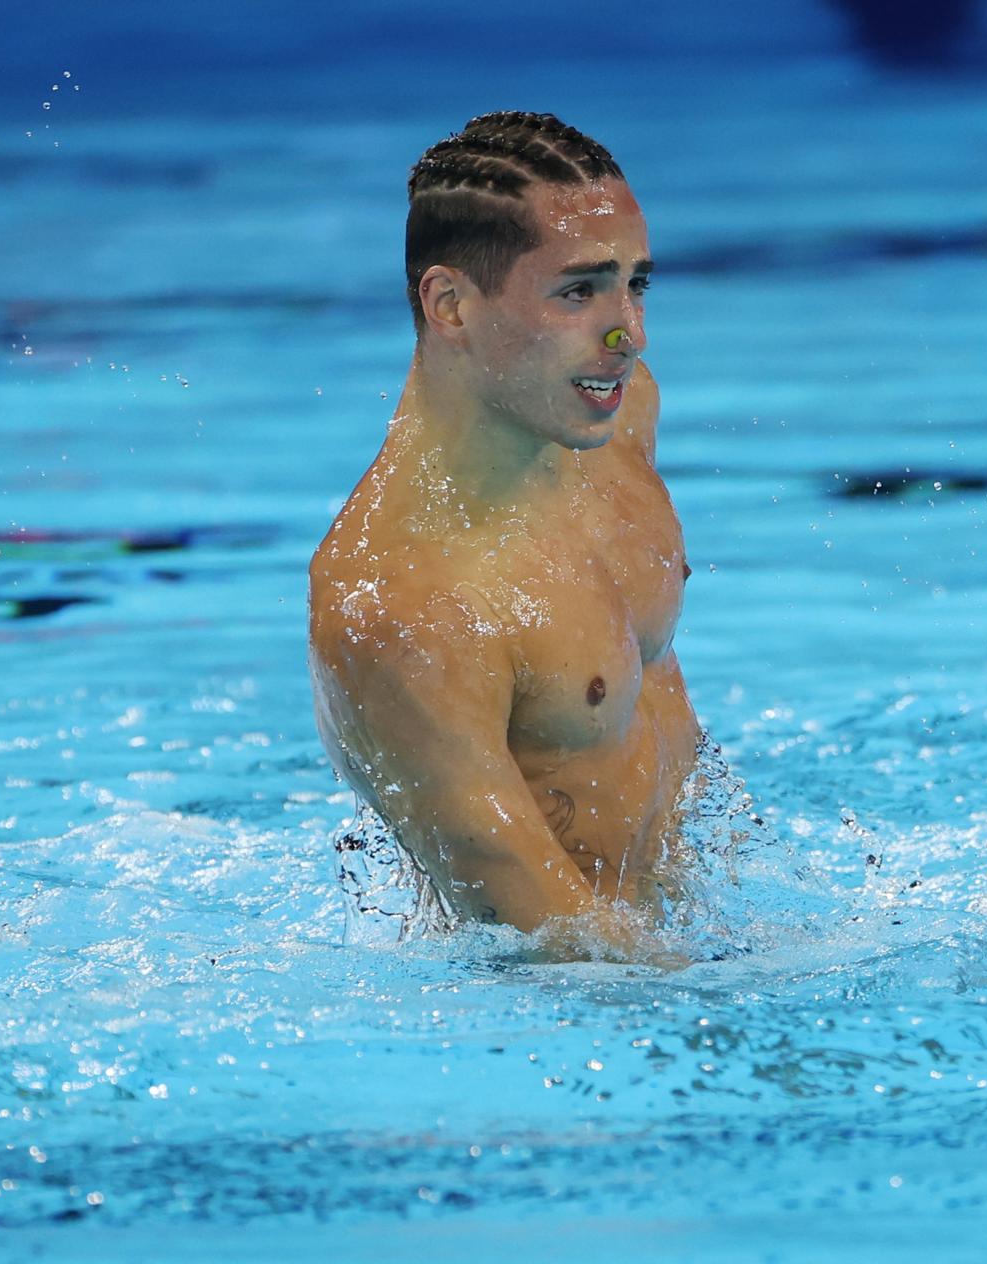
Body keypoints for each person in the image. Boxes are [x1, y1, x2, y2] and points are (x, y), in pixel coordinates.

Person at [309, 112, 699, 961]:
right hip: (557, 1030)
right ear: (450, 305)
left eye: (636, 283)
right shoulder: (404, 609)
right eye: (578, 291)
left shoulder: (613, 419)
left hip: (691, 938)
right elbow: (558, 943)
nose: (628, 334)